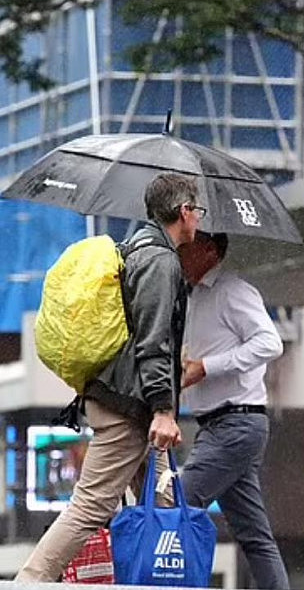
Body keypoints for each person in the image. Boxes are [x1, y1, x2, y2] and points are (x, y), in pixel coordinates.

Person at [17, 172, 199, 582]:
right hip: (128, 406)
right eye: (197, 211)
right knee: (92, 506)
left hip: (125, 397)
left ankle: (161, 580)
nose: (198, 220)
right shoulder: (159, 260)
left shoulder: (136, 247)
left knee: (162, 503)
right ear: (185, 212)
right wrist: (163, 409)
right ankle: (30, 580)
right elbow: (152, 343)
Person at [177, 230, 290, 589]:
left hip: (236, 423)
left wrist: (207, 366)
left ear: (210, 249)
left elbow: (270, 344)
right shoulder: (193, 297)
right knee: (254, 536)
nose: (179, 250)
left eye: (187, 244)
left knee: (179, 503)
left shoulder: (232, 291)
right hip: (221, 425)